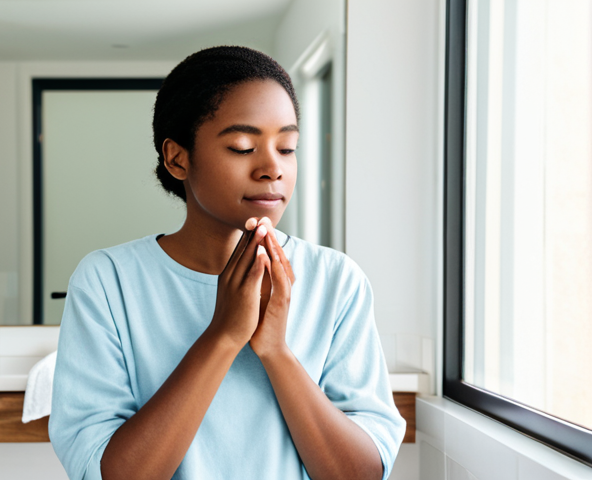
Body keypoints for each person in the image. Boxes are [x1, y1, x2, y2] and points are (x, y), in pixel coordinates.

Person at [49, 46, 405, 480]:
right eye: (242, 147)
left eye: (287, 147)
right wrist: (223, 335)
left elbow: (361, 474)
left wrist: (275, 352)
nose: (272, 168)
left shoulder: (337, 280)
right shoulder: (108, 281)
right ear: (177, 158)